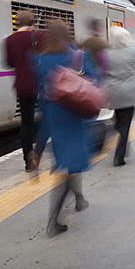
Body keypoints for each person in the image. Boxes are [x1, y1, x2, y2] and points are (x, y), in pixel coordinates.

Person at [34, 20, 94, 236]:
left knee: (69, 164)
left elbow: (39, 92)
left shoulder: (41, 61)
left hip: (53, 118)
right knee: (69, 168)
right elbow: (93, 81)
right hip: (73, 117)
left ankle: (79, 199)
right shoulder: (76, 57)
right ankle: (52, 222)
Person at [2, 11, 47, 171]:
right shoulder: (40, 35)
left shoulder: (8, 40)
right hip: (41, 85)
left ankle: (28, 162)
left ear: (18, 23)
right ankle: (38, 152)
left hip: (22, 86)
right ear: (33, 23)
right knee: (46, 120)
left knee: (26, 123)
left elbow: (8, 63)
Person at [104, 26, 135, 167]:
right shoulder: (134, 51)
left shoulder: (107, 54)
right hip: (130, 93)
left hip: (114, 93)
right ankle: (119, 156)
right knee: (125, 125)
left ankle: (122, 140)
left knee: (119, 123)